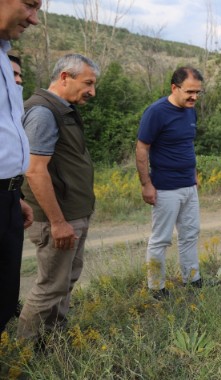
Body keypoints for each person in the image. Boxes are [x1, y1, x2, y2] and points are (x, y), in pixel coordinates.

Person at [17, 53, 100, 342]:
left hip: (73, 212)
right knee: (50, 286)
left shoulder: (62, 108)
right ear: (65, 77)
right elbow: (35, 170)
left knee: (65, 282)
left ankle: (53, 341)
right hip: (59, 217)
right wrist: (57, 222)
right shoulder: (43, 112)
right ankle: (23, 351)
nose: (92, 91)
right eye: (88, 83)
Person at [136, 66, 203, 298]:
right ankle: (156, 288)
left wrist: (194, 173)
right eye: (189, 92)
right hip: (165, 188)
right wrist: (146, 184)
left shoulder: (190, 111)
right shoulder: (156, 112)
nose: (194, 97)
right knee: (161, 239)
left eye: (198, 92)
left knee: (190, 234)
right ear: (174, 87)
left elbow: (187, 144)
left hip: (188, 186)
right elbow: (142, 148)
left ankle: (192, 279)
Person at [0, 0, 40, 333]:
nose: (35, 19)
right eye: (30, 4)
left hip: (8, 197)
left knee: (4, 299)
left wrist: (13, 193)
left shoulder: (4, 56)